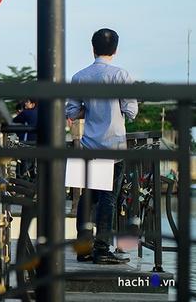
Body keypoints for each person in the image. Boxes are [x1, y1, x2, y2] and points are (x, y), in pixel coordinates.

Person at [65, 28, 138, 264]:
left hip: (87, 145)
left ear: (93, 48)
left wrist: (89, 107)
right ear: (115, 50)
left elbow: (72, 112)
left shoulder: (79, 77)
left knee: (87, 197)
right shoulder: (121, 76)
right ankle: (102, 249)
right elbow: (132, 111)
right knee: (108, 198)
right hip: (113, 145)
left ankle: (83, 247)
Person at [13, 99, 38, 179]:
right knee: (33, 166)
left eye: (28, 102)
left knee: (22, 168)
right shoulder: (40, 113)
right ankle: (33, 183)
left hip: (26, 143)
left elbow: (13, 121)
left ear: (33, 104)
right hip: (38, 143)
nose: (26, 104)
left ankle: (21, 184)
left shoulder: (26, 113)